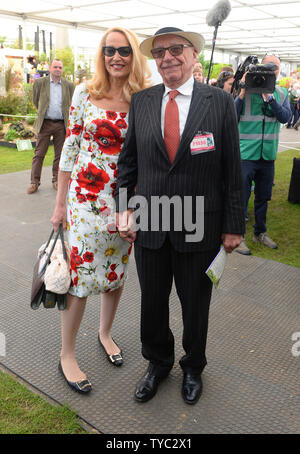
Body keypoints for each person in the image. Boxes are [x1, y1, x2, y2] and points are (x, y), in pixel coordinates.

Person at [114, 27, 244, 405]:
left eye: (176, 49)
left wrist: (234, 225)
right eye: (159, 52)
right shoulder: (142, 101)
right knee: (152, 302)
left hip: (200, 224)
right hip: (151, 222)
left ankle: (192, 366)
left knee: (195, 305)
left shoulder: (218, 102)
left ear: (192, 55)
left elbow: (232, 169)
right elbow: (128, 164)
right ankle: (157, 363)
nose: (167, 57)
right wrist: (123, 208)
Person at [51, 27, 151, 394]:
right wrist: (60, 203)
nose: (116, 57)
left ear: (134, 55)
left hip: (125, 202)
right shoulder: (84, 92)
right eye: (109, 50)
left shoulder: (142, 98)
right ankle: (67, 354)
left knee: (115, 270)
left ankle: (105, 333)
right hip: (84, 200)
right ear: (101, 54)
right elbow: (70, 150)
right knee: (79, 277)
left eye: (124, 50)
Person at [234, 54, 292, 256]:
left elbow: (286, 117)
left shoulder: (282, 93)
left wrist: (271, 99)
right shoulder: (246, 90)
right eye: (266, 66)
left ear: (278, 70)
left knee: (263, 197)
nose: (270, 70)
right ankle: (238, 236)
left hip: (267, 155)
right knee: (241, 197)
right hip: (246, 154)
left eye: (274, 67)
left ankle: (260, 232)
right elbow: (232, 116)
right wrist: (241, 92)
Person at [27, 59, 74, 194]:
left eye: (60, 67)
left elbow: (71, 104)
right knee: (39, 154)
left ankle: (56, 180)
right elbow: (36, 101)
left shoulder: (69, 85)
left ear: (62, 69)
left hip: (61, 124)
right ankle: (34, 182)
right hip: (45, 123)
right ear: (50, 68)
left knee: (60, 155)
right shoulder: (39, 83)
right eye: (55, 67)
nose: (58, 69)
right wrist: (43, 113)